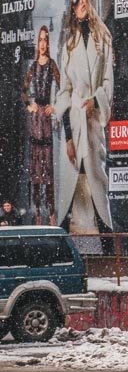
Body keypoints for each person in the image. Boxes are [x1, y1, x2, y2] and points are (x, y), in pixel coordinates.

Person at [54, 0, 114, 237]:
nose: (80, 4)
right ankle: (69, 243)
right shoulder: (69, 46)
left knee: (95, 180)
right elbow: (64, 93)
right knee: (72, 184)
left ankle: (106, 242)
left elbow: (108, 80)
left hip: (93, 124)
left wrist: (97, 100)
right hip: (74, 123)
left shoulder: (104, 39)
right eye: (75, 1)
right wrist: (68, 137)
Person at [21, 26, 60, 225]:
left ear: (48, 43)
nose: (42, 44)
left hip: (45, 120)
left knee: (48, 172)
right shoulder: (33, 67)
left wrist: (54, 107)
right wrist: (30, 105)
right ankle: (37, 214)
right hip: (35, 120)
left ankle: (51, 215)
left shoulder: (52, 64)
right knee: (36, 171)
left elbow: (63, 88)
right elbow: (23, 92)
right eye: (40, 40)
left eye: (45, 40)